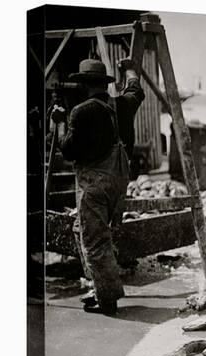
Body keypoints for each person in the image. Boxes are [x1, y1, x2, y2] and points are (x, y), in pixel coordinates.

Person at [52, 58, 145, 315]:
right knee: (81, 230)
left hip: (94, 185)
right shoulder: (123, 104)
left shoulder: (81, 112)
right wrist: (129, 68)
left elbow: (69, 150)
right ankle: (99, 286)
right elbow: (136, 89)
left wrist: (58, 123)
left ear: (83, 84)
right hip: (118, 182)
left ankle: (107, 300)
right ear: (103, 84)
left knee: (95, 242)